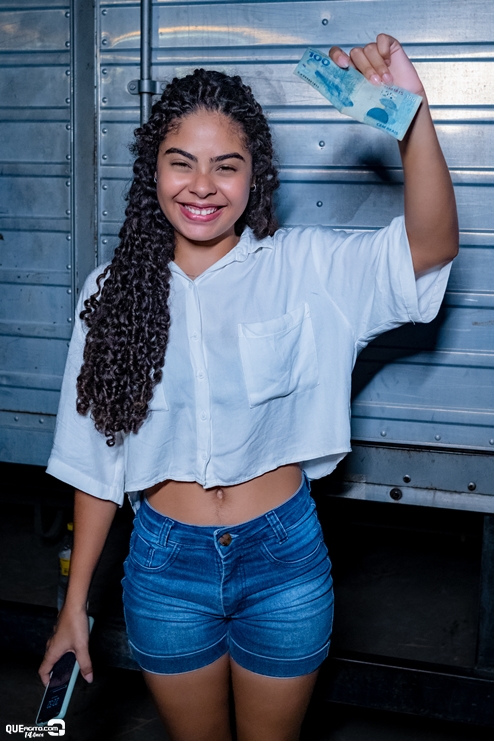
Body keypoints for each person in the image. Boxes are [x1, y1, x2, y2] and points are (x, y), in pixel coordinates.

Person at [39, 34, 458, 741]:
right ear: (153, 171)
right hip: (165, 567)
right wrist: (74, 605)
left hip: (282, 560)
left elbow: (430, 247)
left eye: (225, 166)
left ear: (254, 176)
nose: (201, 185)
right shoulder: (110, 293)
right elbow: (94, 463)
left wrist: (411, 117)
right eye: (181, 162)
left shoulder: (308, 270)